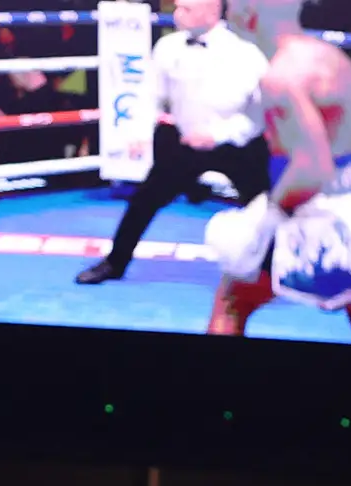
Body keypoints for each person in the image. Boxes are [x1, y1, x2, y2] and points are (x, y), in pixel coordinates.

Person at [203, 0, 351, 346]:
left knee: (231, 302)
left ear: (247, 15)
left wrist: (268, 216)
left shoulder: (280, 76)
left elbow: (311, 168)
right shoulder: (332, 58)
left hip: (319, 211)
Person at [76, 0, 268, 285]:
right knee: (144, 200)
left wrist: (218, 135)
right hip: (187, 140)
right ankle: (115, 263)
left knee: (265, 210)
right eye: (177, 7)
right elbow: (153, 97)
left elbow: (262, 112)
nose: (177, 14)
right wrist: (139, 134)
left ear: (212, 11)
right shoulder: (168, 47)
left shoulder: (245, 53)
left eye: (187, 8)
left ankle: (276, 273)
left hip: (237, 143)